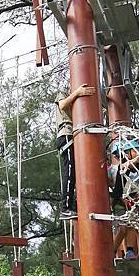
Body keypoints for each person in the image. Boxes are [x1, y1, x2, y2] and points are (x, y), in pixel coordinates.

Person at [54, 85, 95, 220]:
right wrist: (77, 92)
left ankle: (73, 205)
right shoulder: (62, 93)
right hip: (66, 134)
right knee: (70, 171)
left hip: (73, 134)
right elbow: (62, 105)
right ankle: (65, 208)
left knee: (76, 173)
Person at [108, 139, 139, 259]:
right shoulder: (115, 168)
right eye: (135, 150)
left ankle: (134, 253)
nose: (138, 152)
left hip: (133, 199)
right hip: (119, 200)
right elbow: (122, 168)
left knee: (135, 226)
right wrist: (136, 159)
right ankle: (111, 252)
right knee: (122, 228)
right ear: (125, 153)